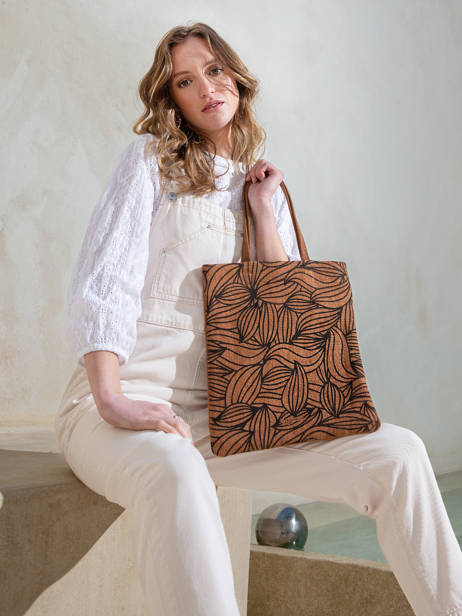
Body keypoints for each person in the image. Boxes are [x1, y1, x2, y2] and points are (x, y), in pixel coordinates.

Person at [55, 21, 462, 616]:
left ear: (238, 79)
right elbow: (104, 280)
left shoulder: (259, 186)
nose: (205, 88)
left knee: (398, 454)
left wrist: (263, 211)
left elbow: (286, 310)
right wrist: (112, 399)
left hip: (232, 414)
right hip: (120, 402)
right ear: (173, 99)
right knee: (177, 470)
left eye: (214, 70)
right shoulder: (150, 163)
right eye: (185, 81)